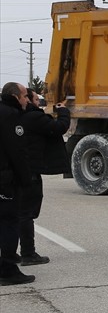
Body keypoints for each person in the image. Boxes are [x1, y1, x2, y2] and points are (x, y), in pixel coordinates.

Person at [18, 89, 71, 264]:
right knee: (27, 213)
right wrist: (63, 111)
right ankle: (28, 253)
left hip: (18, 169)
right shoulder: (33, 117)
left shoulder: (15, 116)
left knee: (16, 213)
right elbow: (59, 128)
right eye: (35, 99)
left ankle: (10, 253)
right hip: (30, 170)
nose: (38, 102)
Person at [0, 82, 35, 284]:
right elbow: (17, 152)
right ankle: (8, 270)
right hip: (6, 180)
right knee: (9, 222)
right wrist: (26, 180)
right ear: (15, 97)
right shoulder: (10, 116)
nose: (27, 100)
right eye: (25, 96)